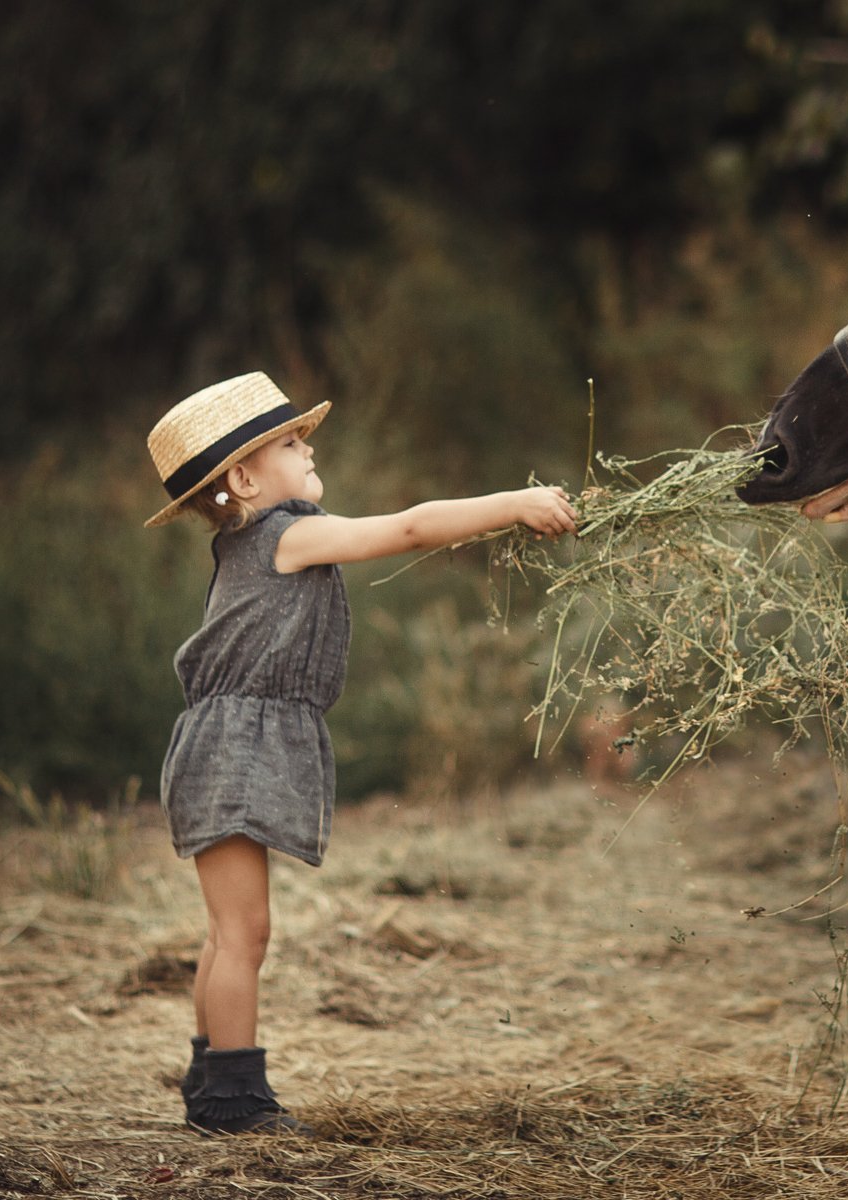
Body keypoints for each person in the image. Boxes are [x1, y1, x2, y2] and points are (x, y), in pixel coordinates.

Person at [143, 371, 576, 1135]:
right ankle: (233, 1098)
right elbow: (408, 529)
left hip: (223, 743)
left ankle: (210, 1081)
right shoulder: (284, 536)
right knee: (244, 934)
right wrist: (513, 503)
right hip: (234, 749)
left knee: (227, 932)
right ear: (244, 480)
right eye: (289, 443)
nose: (308, 448)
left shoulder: (249, 542)